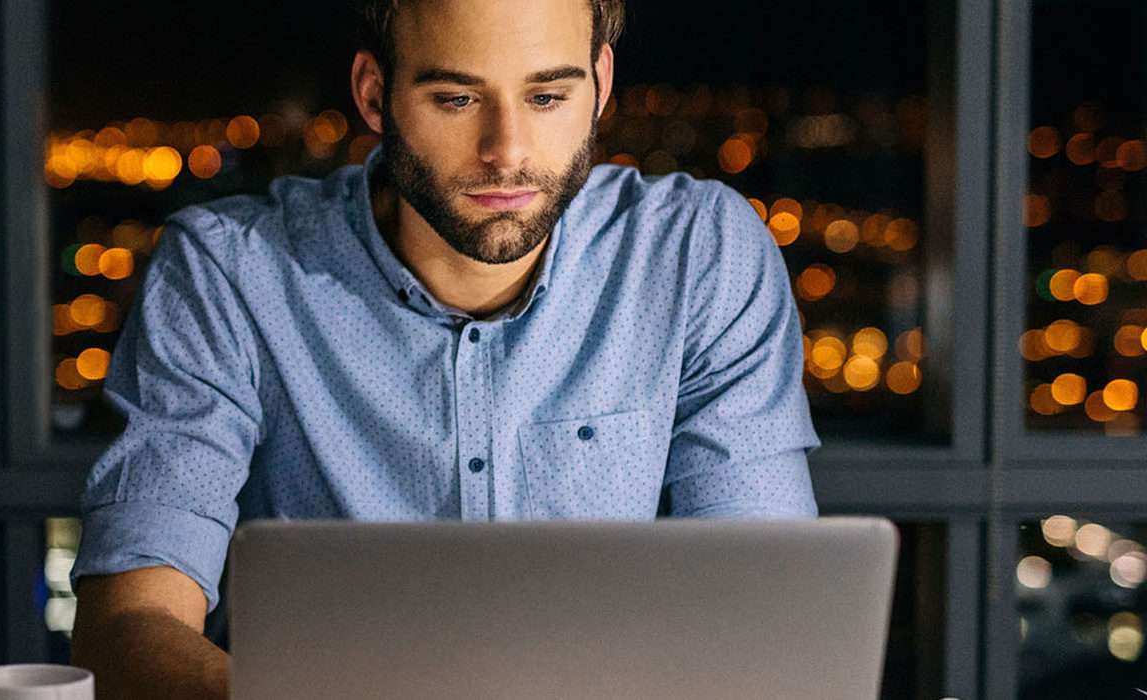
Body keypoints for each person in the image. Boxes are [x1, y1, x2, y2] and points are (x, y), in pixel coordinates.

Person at [69, 0, 819, 696]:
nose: (507, 151)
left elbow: (766, 614)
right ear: (373, 95)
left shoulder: (699, 256)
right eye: (457, 99)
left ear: (600, 82)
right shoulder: (229, 271)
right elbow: (131, 623)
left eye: (548, 97)